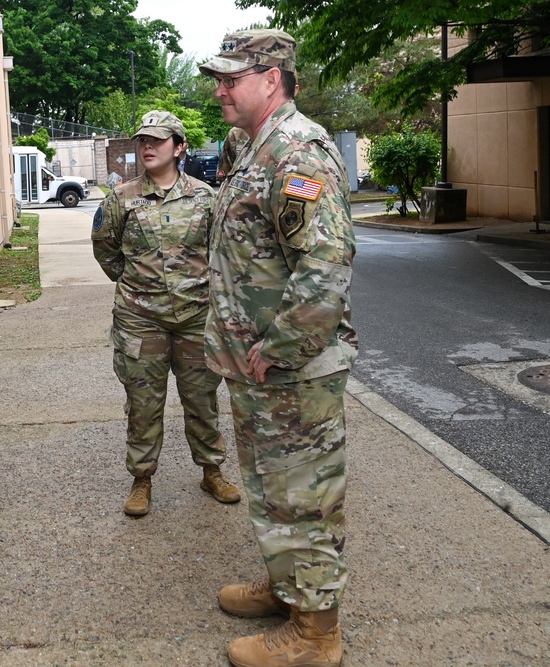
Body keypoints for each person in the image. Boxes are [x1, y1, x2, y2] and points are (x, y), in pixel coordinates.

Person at [199, 30, 357, 667]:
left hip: (291, 368)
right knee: (270, 487)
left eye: (231, 78)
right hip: (257, 364)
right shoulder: (250, 145)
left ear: (272, 78)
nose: (219, 89)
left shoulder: (298, 151)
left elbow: (326, 264)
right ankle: (289, 587)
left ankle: (317, 632)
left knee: (304, 497)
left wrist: (283, 346)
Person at [91, 110, 241, 517]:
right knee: (142, 403)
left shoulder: (206, 198)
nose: (148, 147)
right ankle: (142, 479)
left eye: (158, 140)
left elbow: (221, 251)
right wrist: (138, 285)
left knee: (202, 399)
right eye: (143, 140)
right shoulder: (121, 198)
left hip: (196, 317)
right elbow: (105, 249)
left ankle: (212, 471)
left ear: (180, 147)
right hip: (142, 318)